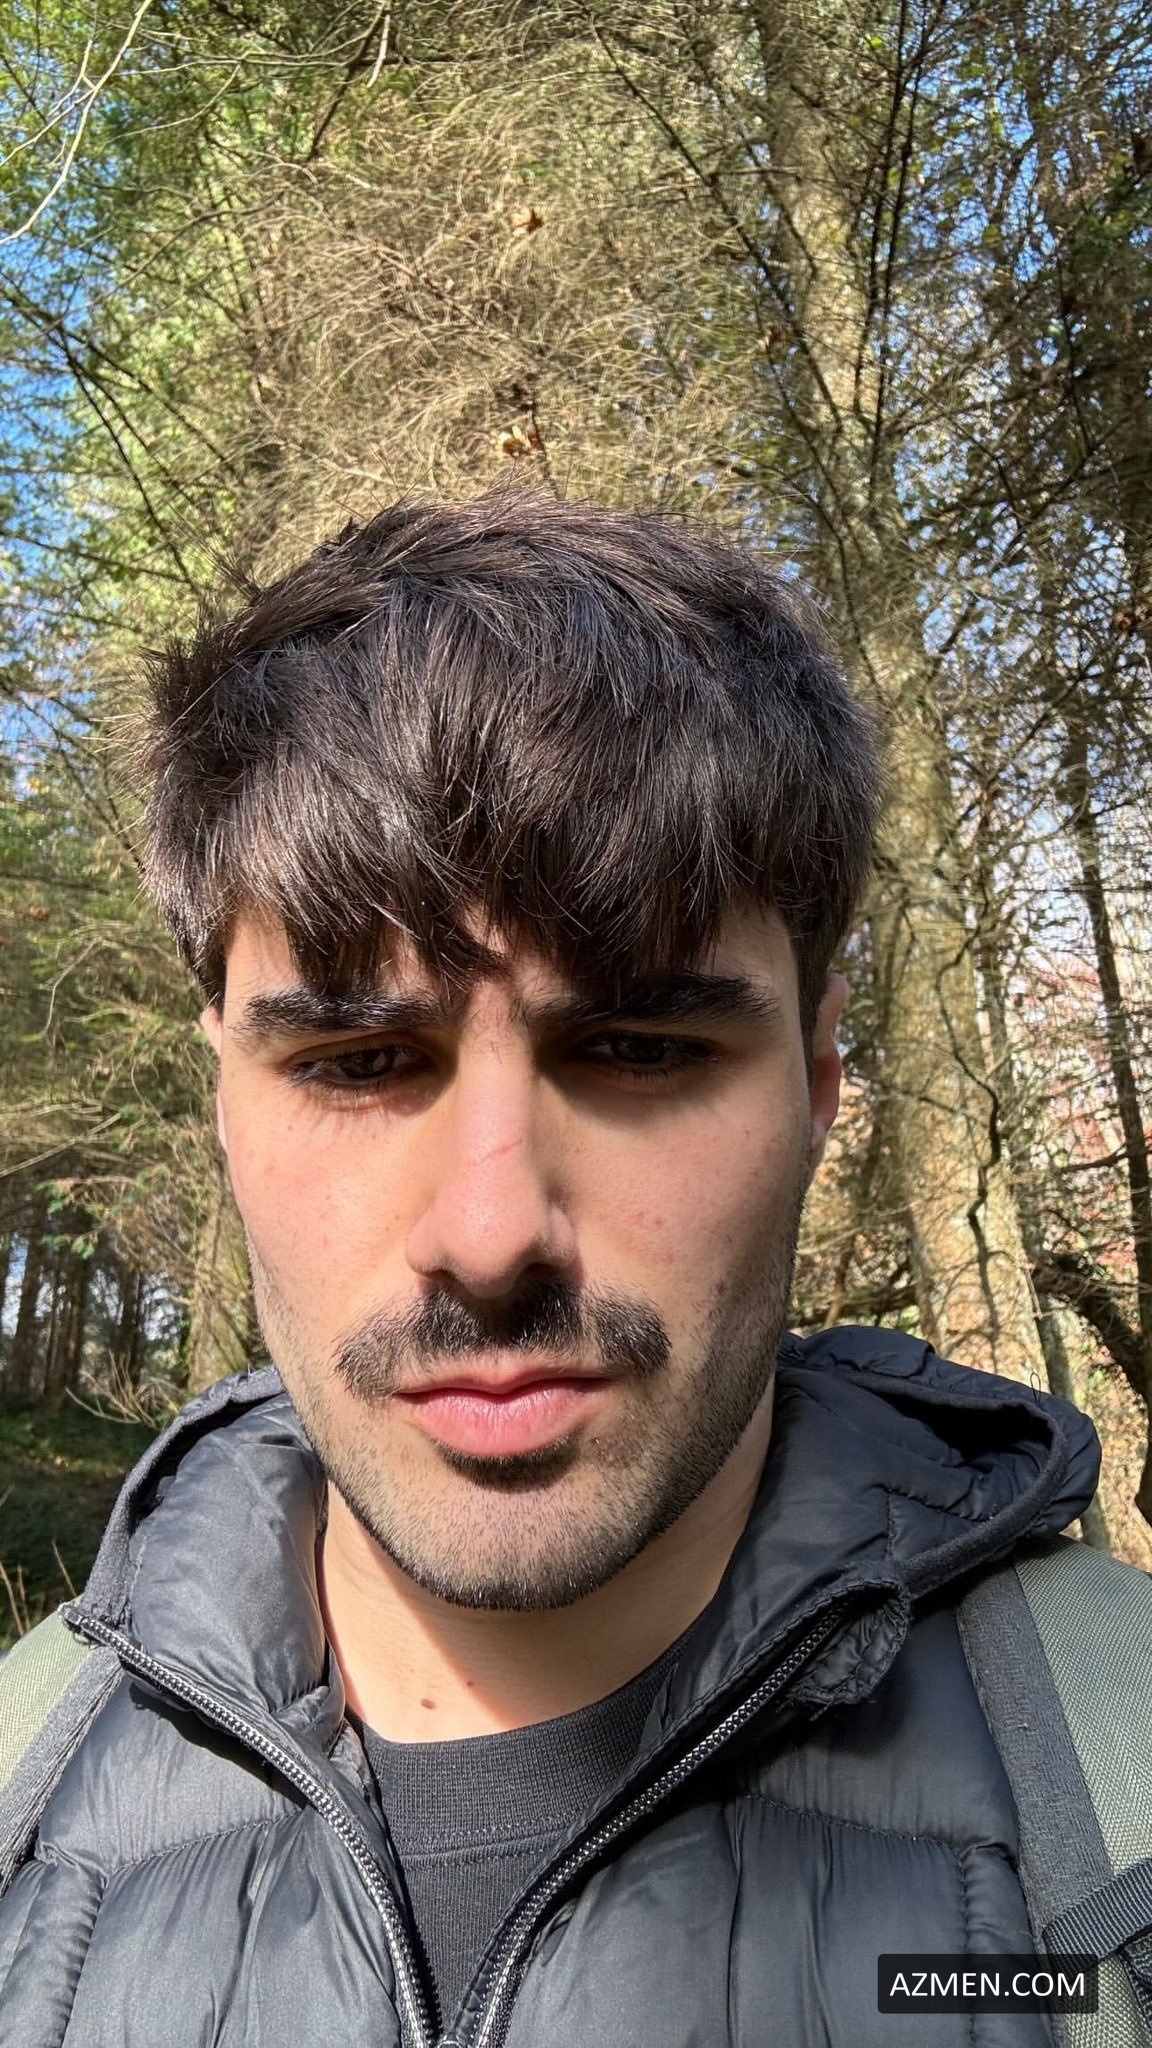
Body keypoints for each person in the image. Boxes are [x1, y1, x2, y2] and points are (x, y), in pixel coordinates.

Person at [0, 488, 1145, 2048]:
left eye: (640, 1049)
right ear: (223, 1099)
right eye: (357, 1063)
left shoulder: (1121, 1802)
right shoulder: (21, 1787)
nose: (489, 1238)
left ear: (818, 1084)